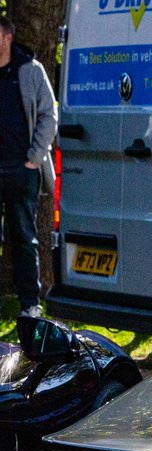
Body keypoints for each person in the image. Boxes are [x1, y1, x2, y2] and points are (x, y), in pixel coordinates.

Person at [0, 16, 56, 319]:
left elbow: (49, 114)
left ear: (7, 37)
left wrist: (34, 158)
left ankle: (30, 305)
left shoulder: (31, 71)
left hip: (23, 171)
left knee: (24, 239)